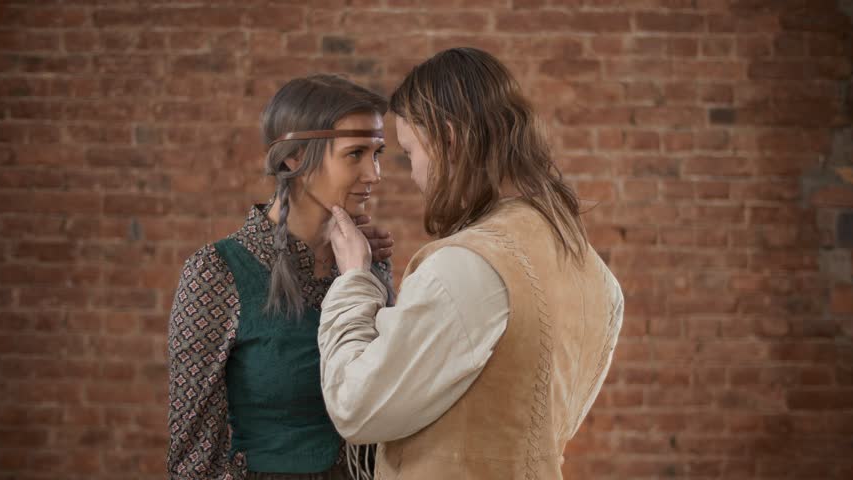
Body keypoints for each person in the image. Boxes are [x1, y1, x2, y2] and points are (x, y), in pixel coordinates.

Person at [319, 48, 625, 479]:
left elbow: (356, 406)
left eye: (410, 154)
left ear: (448, 139)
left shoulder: (469, 266)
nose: (412, 175)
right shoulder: (597, 276)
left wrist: (354, 278)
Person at [166, 74, 395, 480]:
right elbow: (193, 457)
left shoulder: (368, 264)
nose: (374, 174)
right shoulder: (217, 273)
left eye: (377, 153)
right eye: (355, 153)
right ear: (295, 158)